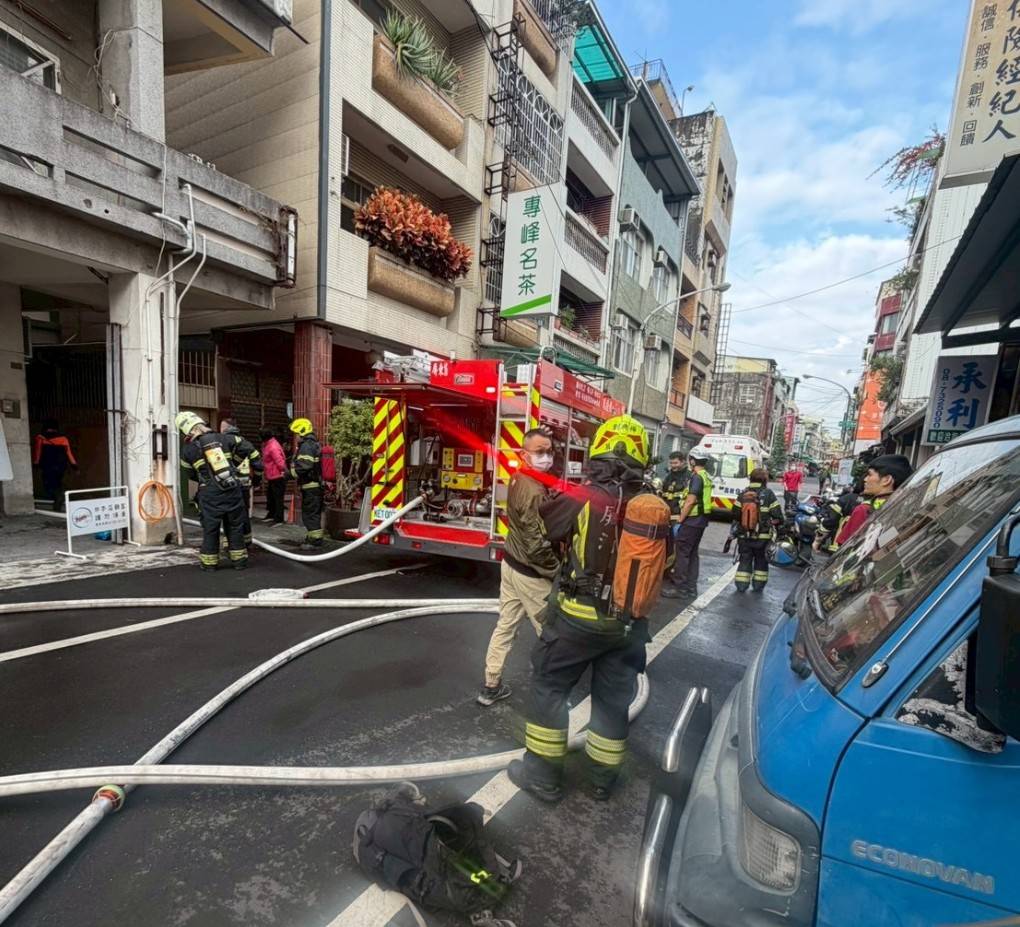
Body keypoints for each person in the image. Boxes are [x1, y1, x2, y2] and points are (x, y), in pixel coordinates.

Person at [507, 414, 652, 803]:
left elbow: (547, 526)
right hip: (627, 629)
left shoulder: (584, 495)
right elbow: (664, 567)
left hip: (577, 619)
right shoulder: (652, 506)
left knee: (549, 689)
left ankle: (542, 777)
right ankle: (603, 779)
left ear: (599, 451)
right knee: (612, 702)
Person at [477, 427, 559, 707]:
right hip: (530, 574)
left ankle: (491, 685)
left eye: (549, 451)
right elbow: (537, 544)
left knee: (505, 626)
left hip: (510, 565)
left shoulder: (518, 478)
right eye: (540, 452)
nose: (546, 456)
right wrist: (557, 571)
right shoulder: (533, 490)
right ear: (525, 455)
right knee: (551, 633)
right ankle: (551, 694)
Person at [176, 412, 252, 571]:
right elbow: (247, 448)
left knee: (211, 528)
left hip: (210, 493)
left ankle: (209, 563)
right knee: (235, 526)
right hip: (231, 489)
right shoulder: (225, 438)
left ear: (187, 430)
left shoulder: (188, 449)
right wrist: (234, 465)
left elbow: (189, 473)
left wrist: (207, 479)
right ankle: (239, 562)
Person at [662, 448, 713, 599]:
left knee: (682, 554)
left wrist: (680, 519)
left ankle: (680, 588)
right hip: (700, 521)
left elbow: (690, 500)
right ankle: (691, 588)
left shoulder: (696, 477)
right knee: (692, 554)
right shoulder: (706, 476)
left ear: (692, 461)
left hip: (691, 520)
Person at [836, 454, 913, 546]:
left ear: (886, 480)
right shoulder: (907, 506)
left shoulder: (864, 510)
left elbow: (846, 547)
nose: (865, 479)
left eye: (869, 474)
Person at [732, 467, 784, 592]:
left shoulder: (743, 493)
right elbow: (778, 516)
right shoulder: (769, 494)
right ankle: (758, 585)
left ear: (751, 478)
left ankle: (741, 585)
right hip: (763, 537)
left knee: (745, 559)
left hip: (744, 536)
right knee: (761, 561)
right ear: (764, 480)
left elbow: (734, 514)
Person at [220, 419, 261, 546]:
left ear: (226, 428)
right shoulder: (246, 443)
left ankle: (229, 542)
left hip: (225, 485)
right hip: (244, 485)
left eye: (221, 427)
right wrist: (257, 481)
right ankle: (247, 540)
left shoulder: (219, 443)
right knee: (243, 513)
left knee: (228, 514)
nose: (220, 429)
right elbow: (258, 465)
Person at [289, 417, 325, 549]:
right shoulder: (314, 444)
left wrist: (289, 474)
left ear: (302, 432)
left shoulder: (306, 446)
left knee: (310, 514)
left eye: (297, 433)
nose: (296, 437)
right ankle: (313, 537)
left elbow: (304, 466)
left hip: (311, 486)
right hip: (314, 486)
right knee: (312, 514)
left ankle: (314, 542)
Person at [32, 420, 77, 512]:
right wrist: (74, 466)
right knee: (57, 482)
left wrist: (36, 464)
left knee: (48, 484)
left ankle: (58, 496)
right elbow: (69, 453)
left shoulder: (41, 437)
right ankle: (59, 497)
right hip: (61, 466)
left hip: (48, 465)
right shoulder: (63, 438)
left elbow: (38, 451)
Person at [260, 427, 287, 526]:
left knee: (277, 498)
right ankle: (272, 514)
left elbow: (279, 461)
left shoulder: (272, 446)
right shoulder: (269, 444)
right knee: (271, 497)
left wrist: (284, 471)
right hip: (272, 475)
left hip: (277, 476)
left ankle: (279, 519)